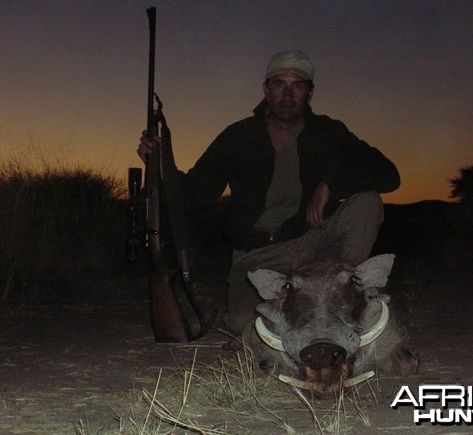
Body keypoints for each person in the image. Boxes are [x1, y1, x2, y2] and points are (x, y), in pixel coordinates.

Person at [137, 51, 400, 334]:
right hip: (255, 258)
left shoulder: (328, 131)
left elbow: (388, 173)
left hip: (311, 243)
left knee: (367, 201)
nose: (287, 95)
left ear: (310, 93)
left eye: (297, 86)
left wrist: (333, 185)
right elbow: (195, 195)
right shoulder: (238, 135)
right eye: (279, 85)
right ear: (266, 89)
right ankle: (309, 306)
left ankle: (342, 290)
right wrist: (162, 167)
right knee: (246, 327)